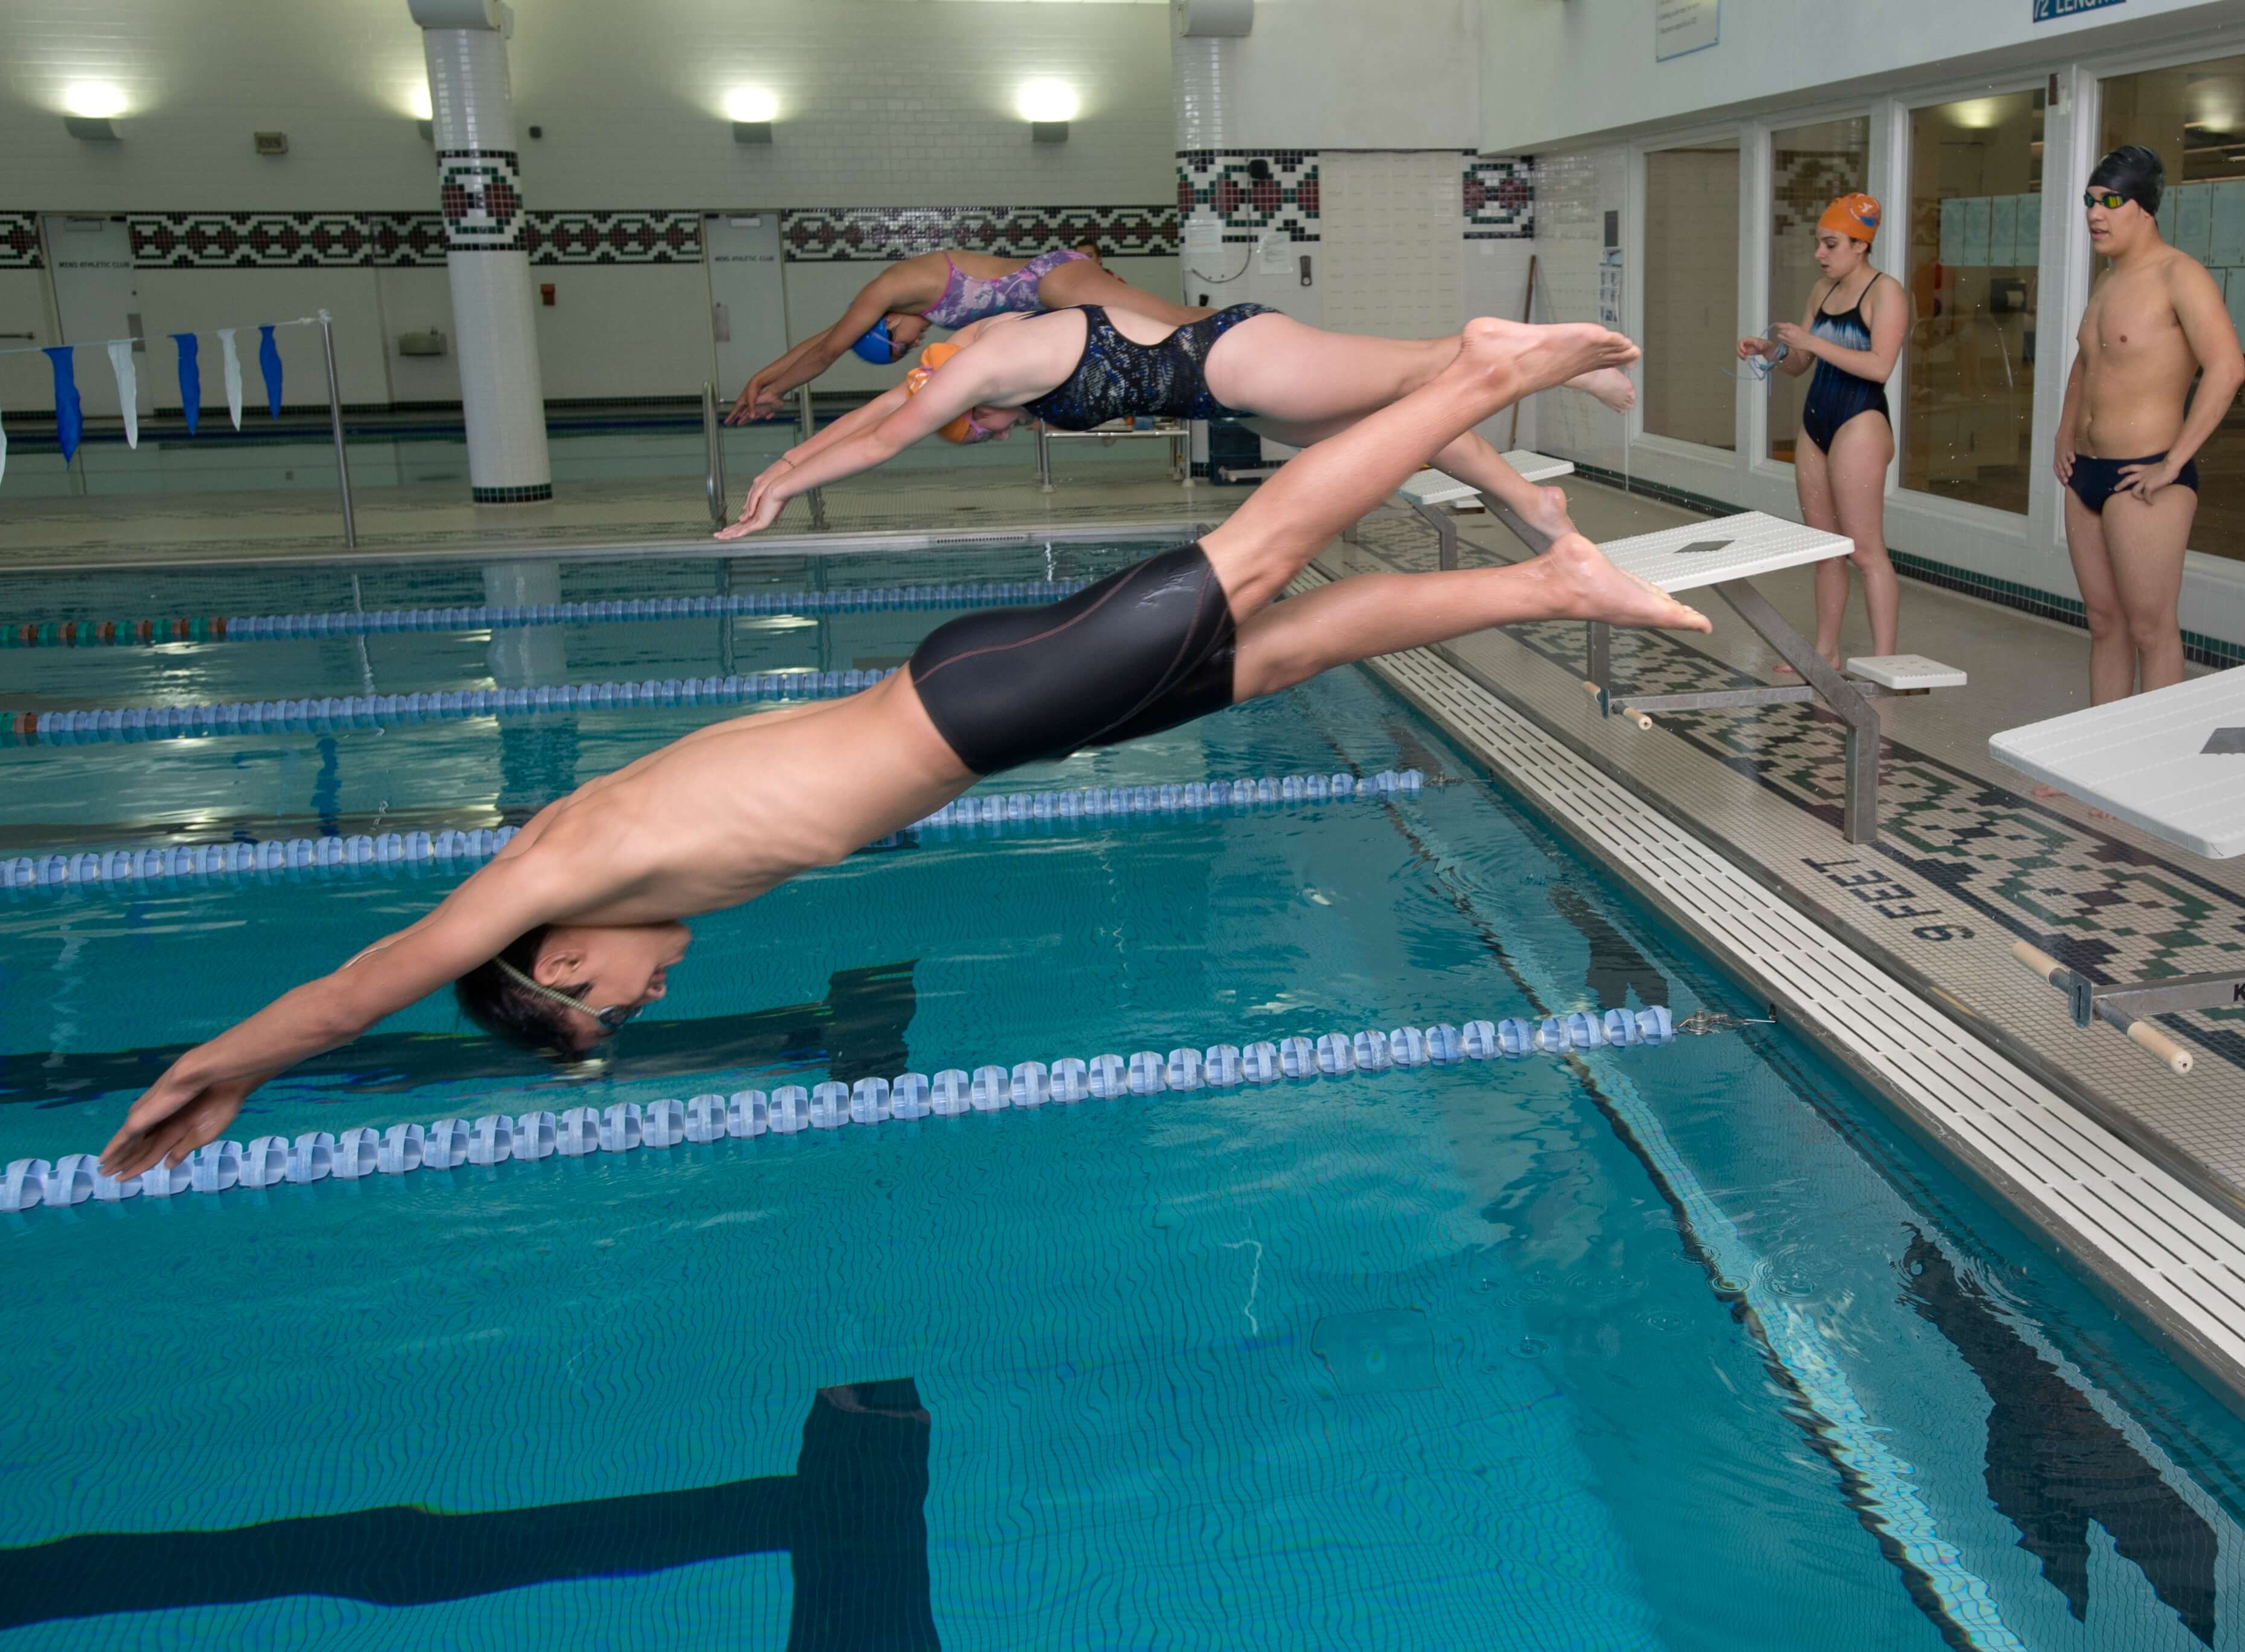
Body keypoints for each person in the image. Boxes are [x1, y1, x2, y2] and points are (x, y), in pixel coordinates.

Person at [97, 319, 1707, 1179]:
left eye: (613, 1000)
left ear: (560, 958)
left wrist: (221, 1067)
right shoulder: (594, 852)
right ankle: (1542, 577)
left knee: (1264, 566)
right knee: (1270, 653)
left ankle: (1478, 375)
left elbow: (365, 981)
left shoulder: (561, 870)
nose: (655, 992)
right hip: (984, 720)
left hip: (976, 708)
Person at [713, 302, 1639, 543]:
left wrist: (785, 491)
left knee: (1424, 366)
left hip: (1233, 361)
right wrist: (782, 462)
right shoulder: (977, 356)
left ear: (972, 404)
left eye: (980, 431)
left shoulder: (991, 363)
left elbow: (886, 433)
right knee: (1404, 421)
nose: (995, 434)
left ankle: (1554, 357)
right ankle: (1534, 506)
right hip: (1231, 387)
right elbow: (886, 405)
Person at [2048, 145, 2245, 734]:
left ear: (2145, 209)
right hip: (2086, 470)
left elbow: (2227, 368)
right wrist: (2065, 430)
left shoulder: (2178, 275)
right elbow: (2087, 362)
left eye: (2109, 202)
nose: (2094, 214)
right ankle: (2106, 762)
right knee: (2104, 624)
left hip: (2145, 472)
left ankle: (2155, 768)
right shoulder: (2108, 282)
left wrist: (2173, 462)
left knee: (2149, 629)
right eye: (2089, 201)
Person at [723, 244, 1200, 423]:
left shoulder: (888, 287)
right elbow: (825, 338)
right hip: (1056, 286)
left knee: (1177, 321)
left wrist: (778, 390)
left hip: (1054, 280)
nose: (913, 344)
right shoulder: (895, 303)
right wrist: (761, 379)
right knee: (1167, 327)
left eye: (901, 344)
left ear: (883, 322)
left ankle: (1254, 322)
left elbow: (828, 352)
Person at [1740, 193, 1908, 673]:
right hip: (1817, 423)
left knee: (1866, 550)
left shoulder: (1886, 292)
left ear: (1861, 245)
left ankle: (1885, 666)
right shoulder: (1822, 291)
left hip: (1861, 421)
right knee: (1824, 545)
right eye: (1819, 243)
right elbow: (1799, 366)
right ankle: (1827, 654)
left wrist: (1811, 340)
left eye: (1831, 244)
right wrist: (1769, 350)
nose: (1820, 253)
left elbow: (1879, 368)